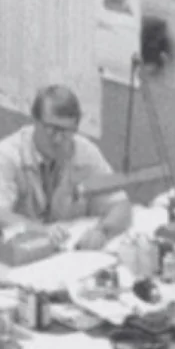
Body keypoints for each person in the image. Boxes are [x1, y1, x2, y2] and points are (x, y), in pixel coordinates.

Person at [0, 84, 131, 251]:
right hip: (21, 254)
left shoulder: (86, 152)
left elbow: (121, 204)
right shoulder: (8, 155)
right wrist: (41, 231)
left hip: (69, 255)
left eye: (67, 131)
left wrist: (102, 231)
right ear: (35, 121)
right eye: (51, 129)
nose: (58, 139)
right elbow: (1, 215)